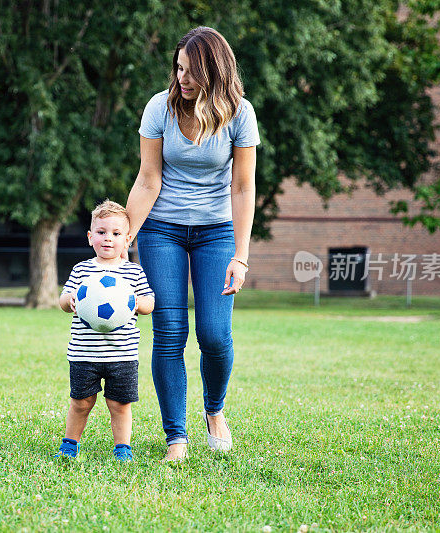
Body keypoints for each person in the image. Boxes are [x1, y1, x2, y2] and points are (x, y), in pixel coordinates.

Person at [125, 27, 260, 461]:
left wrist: (241, 256)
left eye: (191, 70)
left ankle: (214, 410)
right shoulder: (158, 109)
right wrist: (124, 237)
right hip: (161, 228)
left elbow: (243, 188)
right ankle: (176, 438)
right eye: (179, 67)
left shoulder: (240, 114)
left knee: (214, 335)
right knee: (169, 332)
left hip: (217, 231)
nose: (182, 78)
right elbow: (149, 179)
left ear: (214, 71)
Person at [55, 200, 155, 461]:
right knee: (81, 403)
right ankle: (69, 445)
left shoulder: (133, 272)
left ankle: (123, 448)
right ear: (90, 237)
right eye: (101, 232)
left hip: (122, 355)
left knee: (119, 405)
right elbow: (63, 300)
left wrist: (136, 303)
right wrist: (71, 301)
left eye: (116, 233)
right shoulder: (82, 270)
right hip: (83, 353)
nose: (108, 239)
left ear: (128, 239)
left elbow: (149, 302)